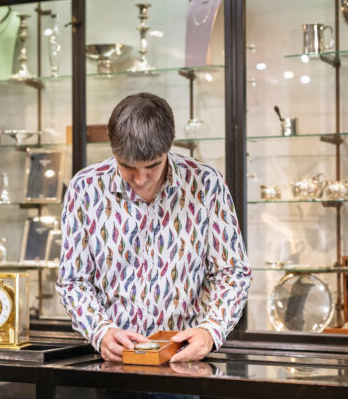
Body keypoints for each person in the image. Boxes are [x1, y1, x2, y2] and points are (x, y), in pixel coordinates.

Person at [56, 92, 252, 362]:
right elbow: (73, 280)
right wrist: (100, 331)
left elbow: (232, 272)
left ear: (169, 147)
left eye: (152, 166)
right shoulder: (86, 188)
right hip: (112, 364)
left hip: (184, 362)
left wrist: (210, 331)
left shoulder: (206, 185)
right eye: (127, 167)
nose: (140, 179)